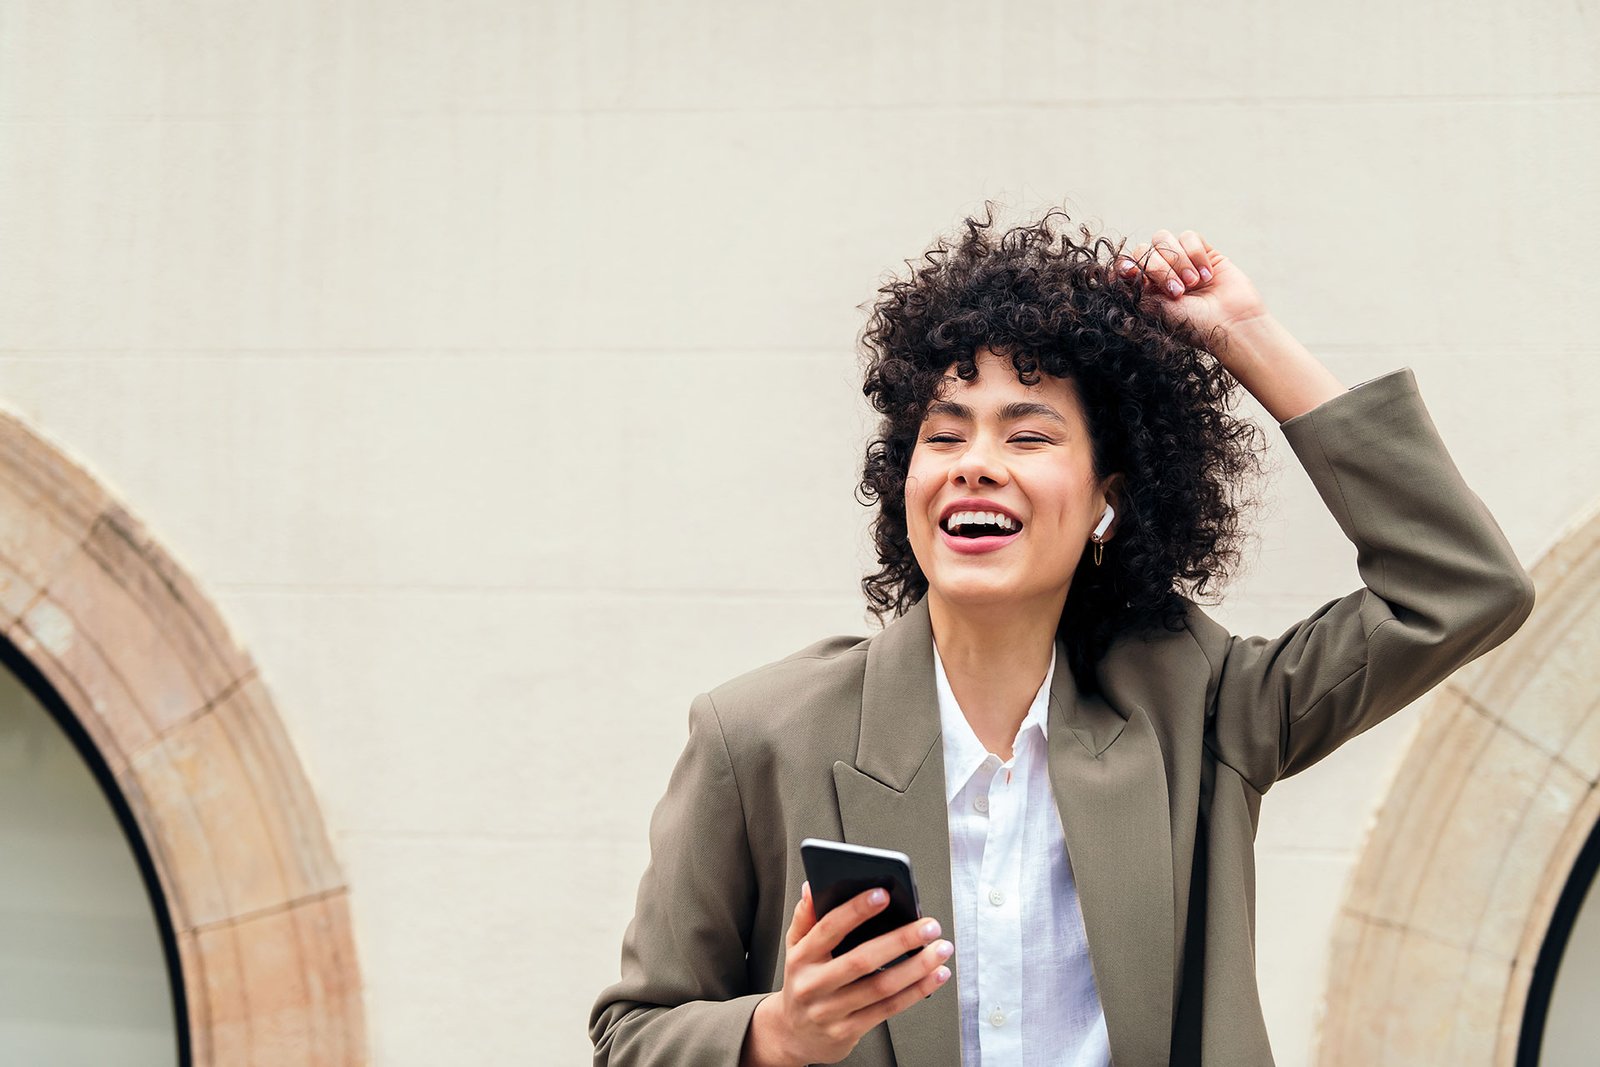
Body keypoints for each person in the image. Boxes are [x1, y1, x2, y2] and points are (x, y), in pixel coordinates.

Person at [588, 205, 1536, 1066]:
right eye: (945, 434)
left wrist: (1245, 337)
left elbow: (1460, 588)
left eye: (1028, 436)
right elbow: (631, 1036)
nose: (976, 466)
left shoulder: (1202, 708)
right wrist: (779, 1034)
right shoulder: (756, 734)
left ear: (1106, 504)